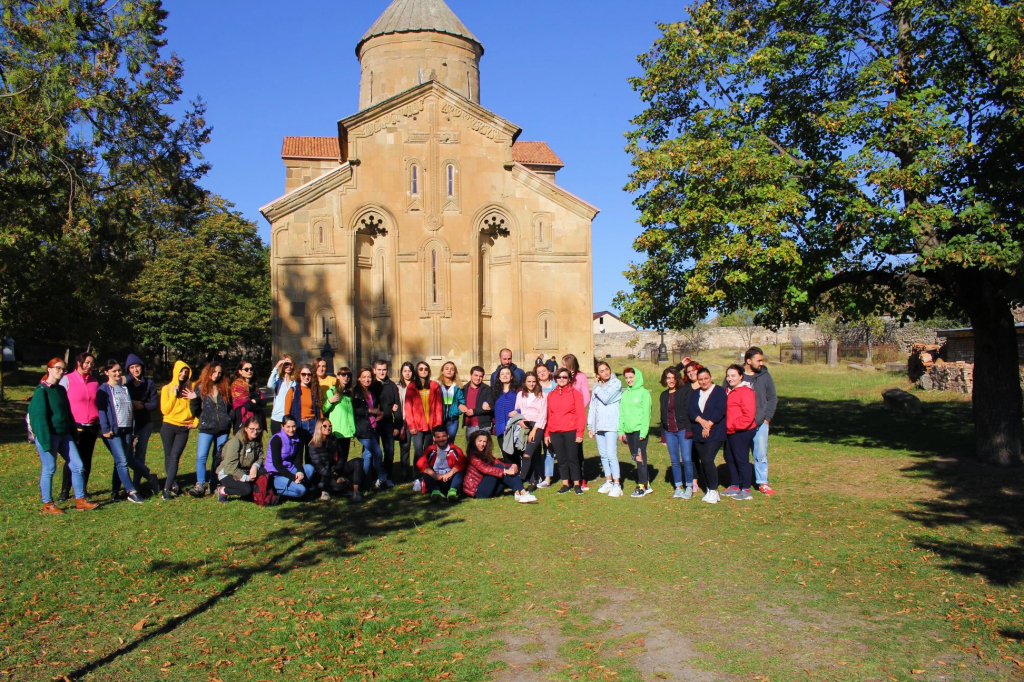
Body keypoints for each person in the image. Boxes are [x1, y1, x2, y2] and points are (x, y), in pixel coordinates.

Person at [29, 359, 98, 513]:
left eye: (63, 369)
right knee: (49, 468)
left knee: (78, 466)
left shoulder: (60, 390)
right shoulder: (41, 391)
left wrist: (73, 434)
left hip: (64, 435)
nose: (61, 371)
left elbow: (68, 414)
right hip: (49, 436)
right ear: (49, 369)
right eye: (58, 368)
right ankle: (48, 504)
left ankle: (80, 500)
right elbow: (38, 418)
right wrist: (45, 441)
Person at [98, 359, 157, 503]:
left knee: (127, 459)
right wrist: (105, 428)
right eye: (114, 371)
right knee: (122, 461)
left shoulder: (124, 388)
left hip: (127, 429)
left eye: (119, 370)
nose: (117, 373)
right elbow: (102, 410)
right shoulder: (104, 389)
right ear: (107, 373)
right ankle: (131, 491)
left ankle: (147, 477)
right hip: (113, 430)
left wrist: (132, 429)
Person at [57, 352, 100, 502]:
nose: (89, 366)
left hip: (92, 426)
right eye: (86, 363)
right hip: (75, 426)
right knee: (73, 460)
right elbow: (60, 402)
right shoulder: (67, 380)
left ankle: (82, 490)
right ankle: (65, 491)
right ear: (79, 363)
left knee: (87, 459)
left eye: (92, 364)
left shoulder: (94, 382)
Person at [188, 361, 233, 498]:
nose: (217, 375)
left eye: (219, 373)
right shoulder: (200, 388)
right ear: (209, 372)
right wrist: (195, 400)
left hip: (223, 428)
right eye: (214, 372)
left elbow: (230, 407)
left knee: (218, 457)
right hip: (206, 427)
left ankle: (215, 482)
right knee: (201, 456)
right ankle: (200, 484)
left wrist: (228, 419)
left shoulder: (224, 388)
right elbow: (194, 410)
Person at [461, 431, 537, 503]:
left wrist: (512, 466)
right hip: (478, 491)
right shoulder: (472, 455)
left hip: (491, 489)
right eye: (480, 441)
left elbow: (499, 463)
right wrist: (505, 471)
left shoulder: (485, 454)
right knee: (499, 469)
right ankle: (522, 493)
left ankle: (519, 492)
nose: (482, 444)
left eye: (484, 442)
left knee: (502, 468)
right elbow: (485, 469)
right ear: (474, 442)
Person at [688, 367, 727, 504]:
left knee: (708, 460)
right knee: (704, 461)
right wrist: (702, 422)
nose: (703, 381)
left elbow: (720, 410)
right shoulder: (694, 394)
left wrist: (709, 424)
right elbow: (691, 411)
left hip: (715, 432)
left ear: (710, 377)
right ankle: (709, 489)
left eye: (706, 378)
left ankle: (714, 491)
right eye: (700, 379)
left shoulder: (719, 392)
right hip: (699, 433)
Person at [545, 368, 586, 495]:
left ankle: (577, 483)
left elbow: (581, 414)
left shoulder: (575, 393)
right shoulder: (551, 395)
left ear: (569, 379)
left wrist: (579, 433)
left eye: (564, 377)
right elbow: (548, 415)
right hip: (555, 431)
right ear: (555, 379)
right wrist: (547, 433)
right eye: (559, 377)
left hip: (570, 430)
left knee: (573, 458)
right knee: (561, 459)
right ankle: (565, 484)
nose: (561, 379)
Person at [743, 347, 778, 496]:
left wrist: (767, 418)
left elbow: (772, 397)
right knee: (741, 454)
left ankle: (762, 482)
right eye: (759, 360)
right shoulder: (737, 376)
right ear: (748, 361)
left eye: (762, 360)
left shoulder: (764, 376)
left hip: (760, 423)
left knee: (760, 454)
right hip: (741, 424)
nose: (761, 363)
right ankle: (740, 482)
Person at [160, 360, 197, 498]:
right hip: (168, 426)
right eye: (181, 371)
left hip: (183, 427)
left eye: (186, 372)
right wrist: (174, 395)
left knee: (175, 457)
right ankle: (172, 485)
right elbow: (165, 410)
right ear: (176, 372)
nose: (183, 374)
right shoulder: (167, 389)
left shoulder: (192, 387)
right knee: (169, 457)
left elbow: (198, 407)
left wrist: (196, 422)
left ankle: (166, 489)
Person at [587, 361, 623, 497]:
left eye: (607, 369)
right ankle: (608, 481)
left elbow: (606, 398)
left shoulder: (615, 383)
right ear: (598, 374)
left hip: (611, 424)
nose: (605, 372)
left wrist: (596, 387)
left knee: (611, 454)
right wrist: (590, 425)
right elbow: (592, 407)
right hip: (599, 425)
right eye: (602, 371)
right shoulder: (598, 387)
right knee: (603, 455)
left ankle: (617, 484)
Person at [308, 418, 364, 502]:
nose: (328, 428)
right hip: (323, 476)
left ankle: (356, 491)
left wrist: (337, 470)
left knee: (358, 461)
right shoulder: (313, 445)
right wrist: (335, 476)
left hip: (335, 470)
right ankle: (326, 490)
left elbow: (342, 456)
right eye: (325, 426)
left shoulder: (333, 439)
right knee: (341, 485)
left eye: (330, 426)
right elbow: (320, 468)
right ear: (319, 428)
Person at [125, 354, 159, 491]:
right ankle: (132, 480)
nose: (135, 370)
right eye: (132, 367)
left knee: (140, 453)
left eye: (137, 366)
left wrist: (142, 405)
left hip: (144, 423)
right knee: (127, 455)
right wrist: (132, 403)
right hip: (128, 424)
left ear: (142, 367)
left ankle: (137, 482)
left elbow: (154, 403)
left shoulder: (149, 384)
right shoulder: (125, 384)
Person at [660, 366, 695, 500]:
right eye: (668, 378)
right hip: (670, 432)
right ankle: (678, 487)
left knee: (686, 459)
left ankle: (689, 486)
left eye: (673, 378)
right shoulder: (663, 395)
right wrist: (663, 434)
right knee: (674, 461)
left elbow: (688, 412)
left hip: (683, 430)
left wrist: (688, 430)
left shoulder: (684, 391)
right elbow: (662, 416)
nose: (671, 380)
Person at [723, 364, 756, 502]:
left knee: (741, 459)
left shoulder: (745, 392)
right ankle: (735, 485)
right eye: (728, 376)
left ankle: (746, 489)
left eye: (733, 376)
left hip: (742, 431)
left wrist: (734, 426)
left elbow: (749, 415)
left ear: (740, 376)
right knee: (729, 457)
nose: (730, 378)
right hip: (730, 431)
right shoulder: (728, 391)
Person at [618, 368, 653, 498]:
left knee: (640, 457)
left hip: (639, 431)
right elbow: (621, 413)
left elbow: (646, 415)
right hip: (629, 431)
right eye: (626, 378)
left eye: (631, 377)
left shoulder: (644, 393)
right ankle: (647, 483)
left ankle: (642, 485)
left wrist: (643, 432)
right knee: (635, 457)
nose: (629, 380)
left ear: (637, 377)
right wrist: (621, 430)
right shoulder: (625, 394)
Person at [405, 361, 444, 477]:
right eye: (421, 369)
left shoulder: (434, 386)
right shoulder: (412, 386)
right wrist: (411, 425)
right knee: (418, 451)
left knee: (429, 451)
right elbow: (408, 407)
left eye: (426, 369)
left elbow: (438, 406)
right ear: (417, 371)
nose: (423, 371)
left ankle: (428, 476)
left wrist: (438, 424)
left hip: (431, 425)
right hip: (417, 426)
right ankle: (417, 476)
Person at [352, 367, 388, 489]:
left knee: (367, 455)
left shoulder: (371, 391)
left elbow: (377, 407)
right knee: (378, 452)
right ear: (359, 379)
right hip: (363, 429)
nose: (367, 379)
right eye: (364, 377)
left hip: (373, 427)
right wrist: (369, 410)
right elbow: (354, 410)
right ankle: (383, 479)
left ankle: (362, 482)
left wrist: (380, 413)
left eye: (369, 377)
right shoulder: (356, 392)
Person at [216, 415, 265, 502]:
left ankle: (252, 491)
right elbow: (230, 467)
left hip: (245, 470)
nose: (255, 432)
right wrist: (246, 478)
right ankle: (223, 490)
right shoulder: (235, 442)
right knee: (246, 490)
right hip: (228, 473)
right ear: (246, 428)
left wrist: (255, 466)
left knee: (265, 471)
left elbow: (260, 456)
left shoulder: (257, 441)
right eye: (252, 429)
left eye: (258, 429)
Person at [265, 415, 314, 500]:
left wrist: (300, 471)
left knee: (309, 468)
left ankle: (297, 485)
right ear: (282, 426)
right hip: (276, 473)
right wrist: (293, 477)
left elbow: (296, 458)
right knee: (301, 491)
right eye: (288, 427)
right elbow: (276, 464)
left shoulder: (296, 438)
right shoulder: (276, 439)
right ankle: (278, 490)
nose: (291, 430)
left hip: (289, 468)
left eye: (294, 426)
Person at [514, 372, 547, 492]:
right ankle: (533, 481)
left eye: (533, 381)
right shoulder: (520, 395)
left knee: (527, 454)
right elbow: (517, 409)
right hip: (524, 425)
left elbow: (543, 415)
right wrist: (519, 421)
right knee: (534, 455)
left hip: (537, 427)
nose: (531, 384)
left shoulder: (543, 395)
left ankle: (521, 479)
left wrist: (534, 430)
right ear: (525, 382)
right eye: (529, 381)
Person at [416, 424, 467, 502]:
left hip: (450, 479)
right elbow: (420, 463)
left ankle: (452, 492)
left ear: (448, 436)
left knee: (460, 471)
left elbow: (462, 461)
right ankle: (436, 492)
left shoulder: (455, 449)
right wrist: (434, 474)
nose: (441, 439)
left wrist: (450, 473)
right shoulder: (431, 449)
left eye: (444, 436)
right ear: (434, 438)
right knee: (426, 471)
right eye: (438, 437)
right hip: (436, 479)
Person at [562, 353, 591, 489]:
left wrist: (577, 411)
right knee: (565, 450)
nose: (561, 367)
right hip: (563, 419)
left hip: (575, 419)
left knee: (577, 449)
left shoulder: (581, 377)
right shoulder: (563, 377)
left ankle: (581, 477)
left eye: (563, 364)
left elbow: (586, 397)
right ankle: (568, 477)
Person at [285, 363, 321, 464]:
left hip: (313, 424)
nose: (306, 377)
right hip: (299, 425)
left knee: (312, 454)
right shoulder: (293, 391)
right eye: (303, 374)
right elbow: (287, 413)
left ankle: (311, 476)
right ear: (299, 375)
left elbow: (319, 409)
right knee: (298, 453)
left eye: (309, 375)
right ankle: (299, 476)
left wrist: (320, 425)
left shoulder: (314, 391)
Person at [372, 360, 401, 484]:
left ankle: (388, 476)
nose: (382, 372)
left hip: (388, 423)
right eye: (379, 369)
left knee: (389, 451)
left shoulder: (392, 386)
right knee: (374, 451)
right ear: (374, 371)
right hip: (373, 424)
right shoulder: (371, 385)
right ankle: (375, 477)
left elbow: (397, 406)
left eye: (384, 369)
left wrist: (397, 425)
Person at [323, 367, 355, 476]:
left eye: (348, 375)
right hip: (336, 431)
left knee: (343, 458)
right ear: (338, 376)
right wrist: (329, 401)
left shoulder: (349, 393)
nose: (346, 377)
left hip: (347, 431)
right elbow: (323, 409)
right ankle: (333, 479)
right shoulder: (331, 391)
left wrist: (352, 429)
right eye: (343, 374)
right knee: (336, 458)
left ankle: (340, 480)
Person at [534, 363, 557, 489]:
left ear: (549, 372)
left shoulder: (556, 387)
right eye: (539, 372)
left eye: (544, 371)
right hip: (538, 422)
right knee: (537, 450)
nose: (542, 373)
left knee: (549, 450)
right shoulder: (534, 388)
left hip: (552, 422)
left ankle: (548, 478)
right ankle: (539, 475)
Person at [683, 362, 704, 491]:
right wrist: (681, 365)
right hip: (690, 425)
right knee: (692, 454)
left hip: (705, 425)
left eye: (693, 370)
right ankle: (694, 480)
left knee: (705, 455)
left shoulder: (705, 386)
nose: (691, 373)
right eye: (688, 371)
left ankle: (708, 480)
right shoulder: (685, 388)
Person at [394, 362, 415, 488]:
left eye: (410, 371)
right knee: (405, 448)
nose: (407, 373)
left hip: (415, 421)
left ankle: (417, 472)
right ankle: (405, 471)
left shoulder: (417, 386)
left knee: (418, 448)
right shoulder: (397, 386)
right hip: (403, 421)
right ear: (401, 372)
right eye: (405, 371)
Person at [460, 366, 494, 443]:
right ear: (471, 375)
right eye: (476, 375)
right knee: (471, 451)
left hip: (484, 425)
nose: (478, 378)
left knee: (484, 452)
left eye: (480, 376)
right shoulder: (463, 389)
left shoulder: (487, 389)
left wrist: (474, 411)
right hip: (470, 425)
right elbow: (458, 402)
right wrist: (459, 405)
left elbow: (490, 407)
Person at [230, 359, 265, 433]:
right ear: (240, 371)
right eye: (246, 369)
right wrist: (259, 406)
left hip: (256, 422)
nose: (249, 371)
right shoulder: (237, 386)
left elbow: (264, 402)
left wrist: (256, 400)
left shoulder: (254, 386)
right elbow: (248, 405)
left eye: (251, 369)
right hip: (243, 423)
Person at [492, 366, 520, 455]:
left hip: (514, 428)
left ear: (511, 376)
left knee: (515, 455)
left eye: (507, 374)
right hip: (500, 428)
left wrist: (517, 411)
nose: (505, 376)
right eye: (502, 374)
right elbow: (488, 401)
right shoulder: (495, 392)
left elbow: (525, 407)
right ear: (499, 377)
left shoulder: (517, 392)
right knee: (505, 456)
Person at [267, 355, 296, 435]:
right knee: (278, 442)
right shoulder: (278, 380)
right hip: (277, 417)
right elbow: (270, 385)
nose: (288, 367)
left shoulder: (295, 382)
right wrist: (277, 365)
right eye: (286, 364)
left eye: (290, 364)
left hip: (290, 417)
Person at [438, 361, 465, 442]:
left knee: (450, 442)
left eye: (452, 369)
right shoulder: (437, 385)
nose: (449, 371)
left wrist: (457, 411)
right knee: (440, 442)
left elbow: (462, 401)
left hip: (452, 420)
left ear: (455, 372)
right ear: (442, 371)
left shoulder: (457, 387)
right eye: (446, 369)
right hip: (439, 420)